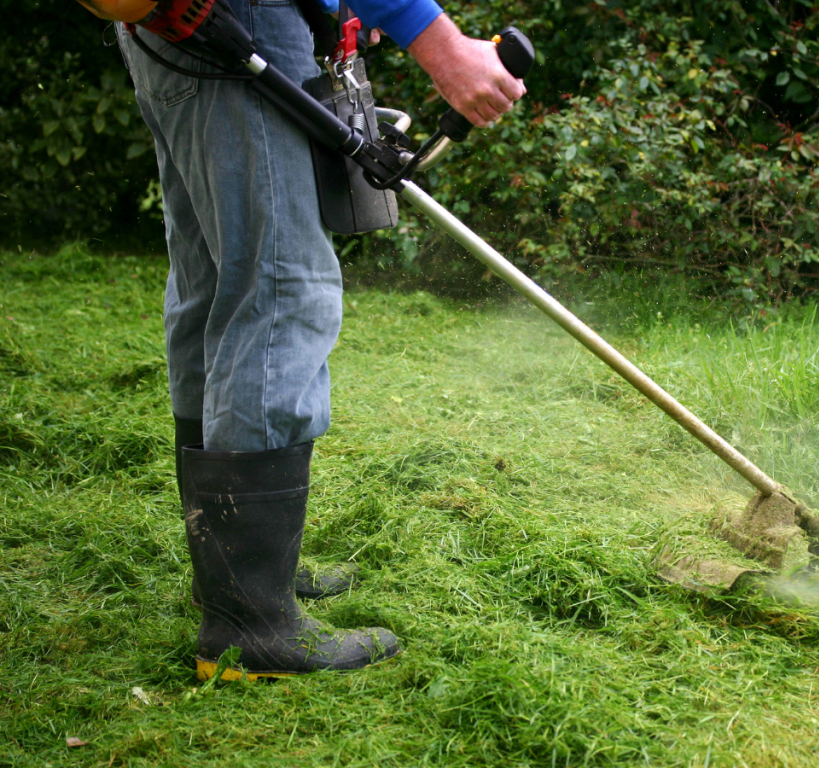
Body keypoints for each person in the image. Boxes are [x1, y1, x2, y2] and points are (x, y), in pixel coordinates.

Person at [76, 0, 526, 680]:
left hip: (176, 28)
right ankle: (251, 628)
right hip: (236, 19)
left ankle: (235, 578)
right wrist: (437, 41)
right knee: (278, 288)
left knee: (217, 282)